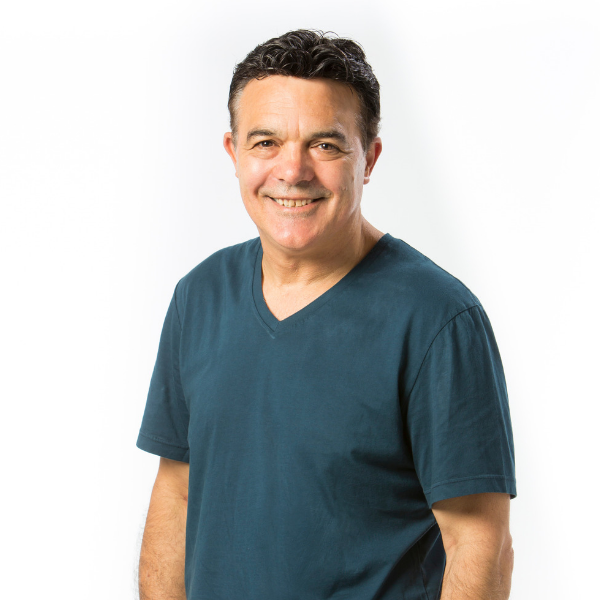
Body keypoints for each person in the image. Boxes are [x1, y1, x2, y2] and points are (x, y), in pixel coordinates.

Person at [136, 29, 517, 600]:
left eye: (325, 145)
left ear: (369, 158)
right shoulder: (200, 296)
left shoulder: (437, 319)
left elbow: (479, 543)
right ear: (234, 153)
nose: (293, 171)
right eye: (266, 142)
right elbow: (177, 492)